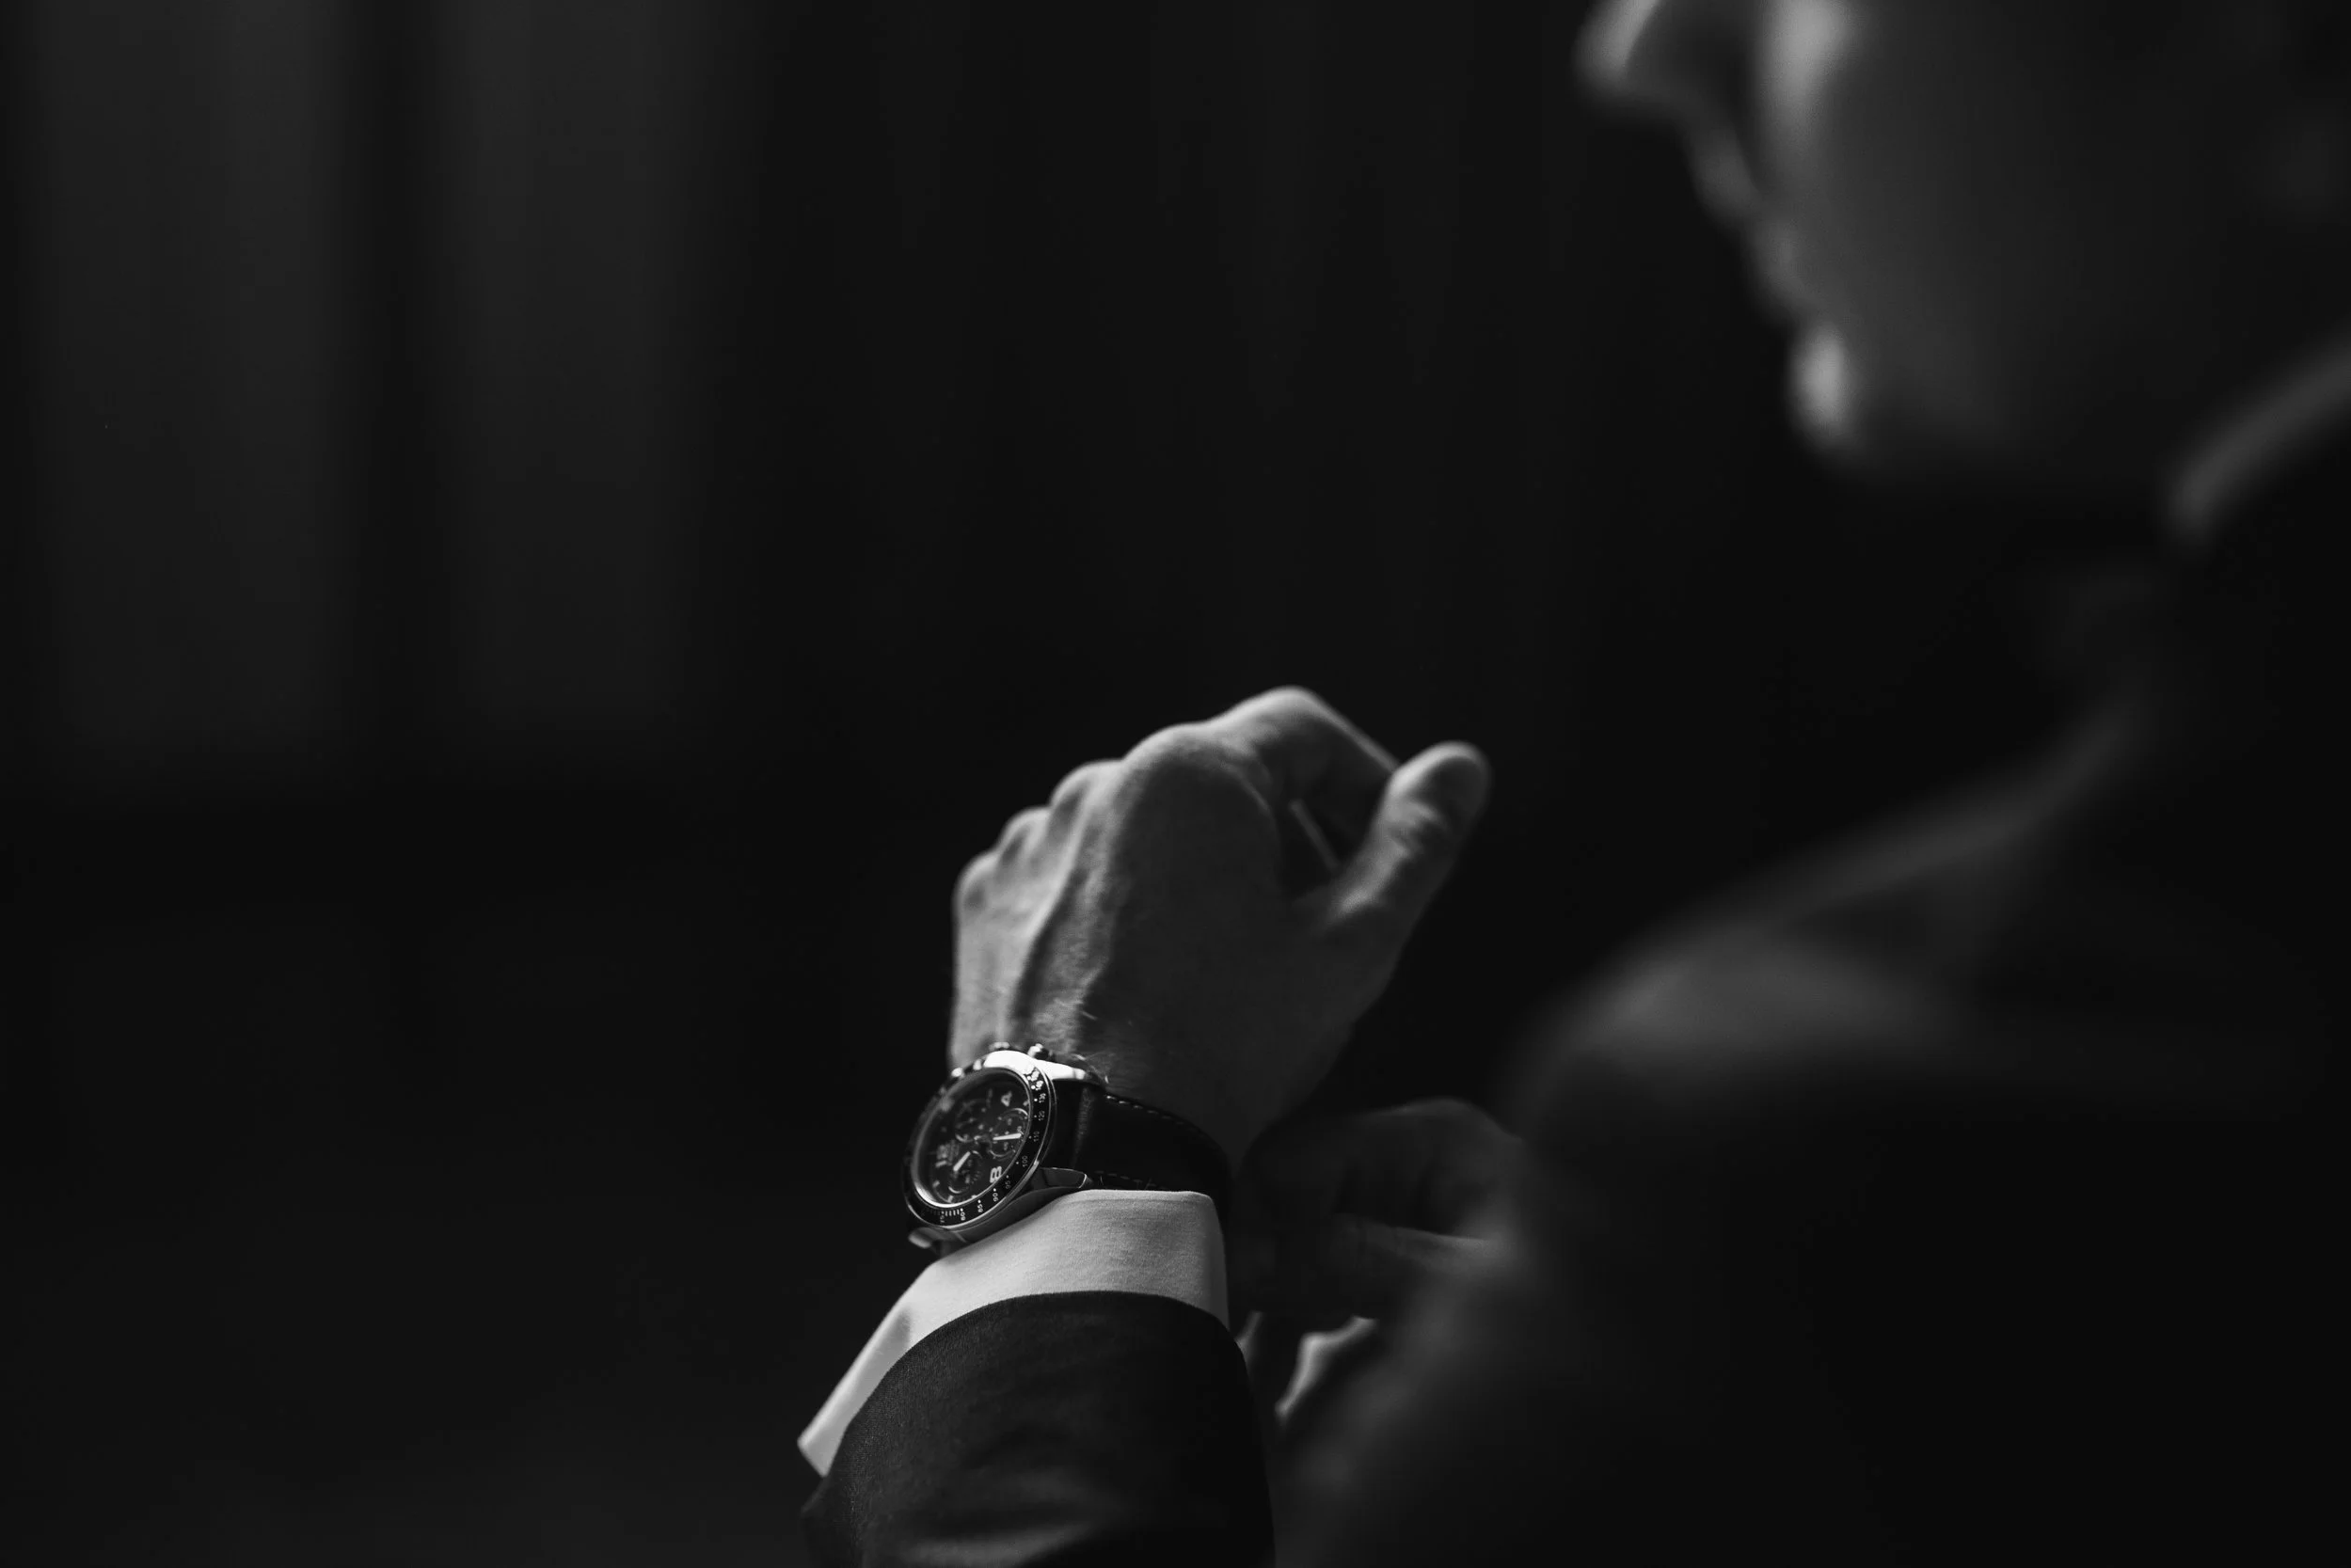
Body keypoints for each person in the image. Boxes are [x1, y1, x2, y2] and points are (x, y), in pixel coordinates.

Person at [801, 1, 2350, 1560]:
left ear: (2303, 59)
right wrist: (1655, 1372)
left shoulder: (1849, 1108)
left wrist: (1056, 1140)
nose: (1649, 48)